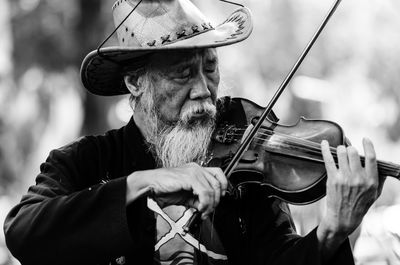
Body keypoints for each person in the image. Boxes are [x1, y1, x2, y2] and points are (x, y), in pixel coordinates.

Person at [3, 1, 384, 264]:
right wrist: (143, 183)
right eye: (184, 73)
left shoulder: (247, 162)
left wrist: (331, 233)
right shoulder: (85, 160)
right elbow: (24, 232)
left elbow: (281, 259)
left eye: (210, 68)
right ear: (136, 82)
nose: (204, 89)